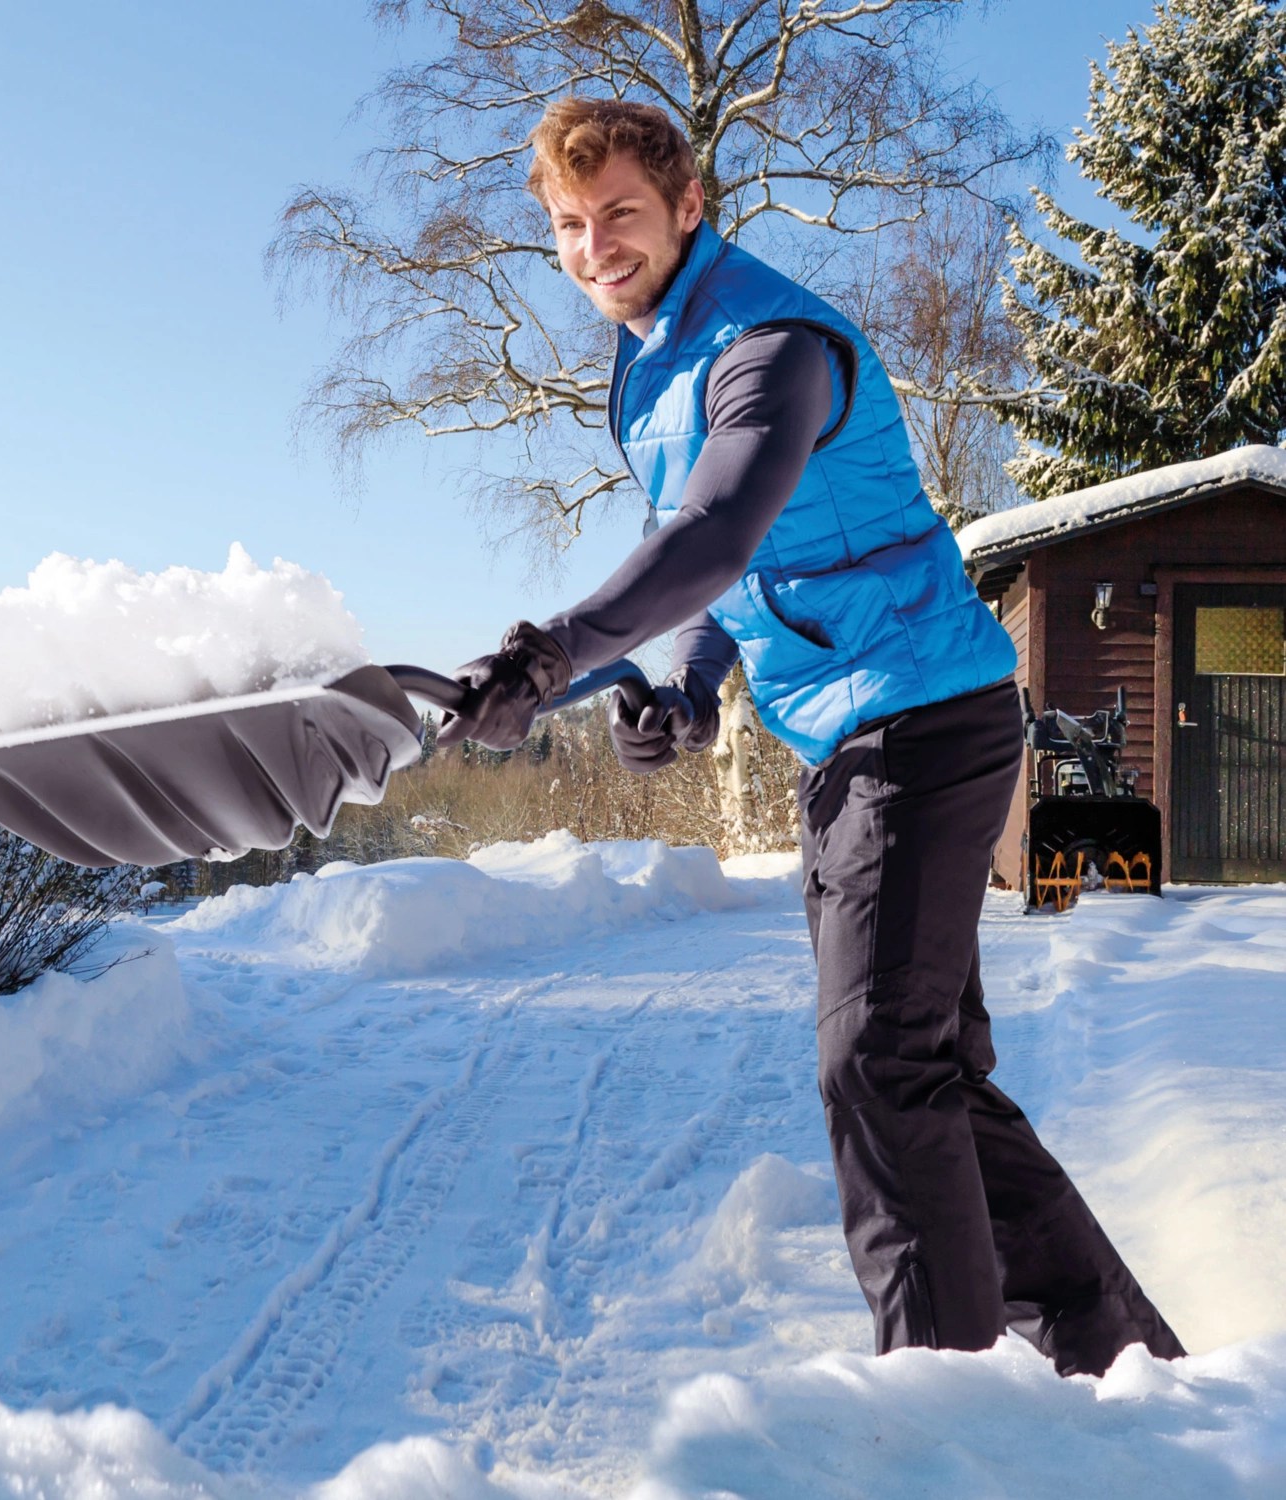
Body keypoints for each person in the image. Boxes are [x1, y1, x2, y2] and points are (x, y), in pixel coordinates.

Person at [437, 96, 1184, 1377]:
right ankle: (1121, 1371)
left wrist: (556, 650)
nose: (594, 244)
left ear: (687, 207)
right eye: (569, 224)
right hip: (859, 742)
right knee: (932, 1077)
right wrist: (690, 690)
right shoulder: (652, 368)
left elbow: (716, 533)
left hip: (920, 724)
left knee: (879, 1069)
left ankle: (947, 1414)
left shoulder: (768, 347)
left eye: (620, 211)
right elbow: (741, 572)